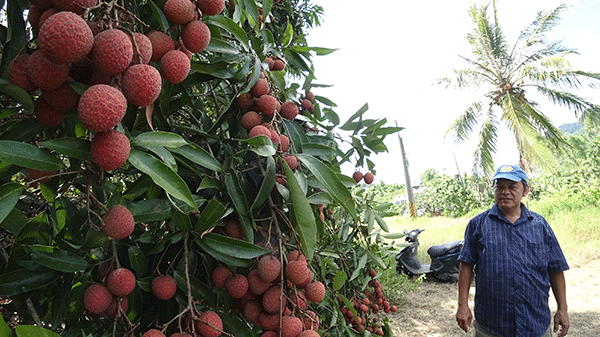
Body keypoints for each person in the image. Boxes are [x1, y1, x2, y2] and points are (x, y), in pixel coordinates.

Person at [455, 164, 570, 337]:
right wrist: (462, 305)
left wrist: (562, 309)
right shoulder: (478, 224)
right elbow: (466, 265)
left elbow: (555, 268)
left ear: (525, 190)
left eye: (512, 186)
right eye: (499, 186)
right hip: (491, 325)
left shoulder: (540, 225)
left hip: (535, 323)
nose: (505, 191)